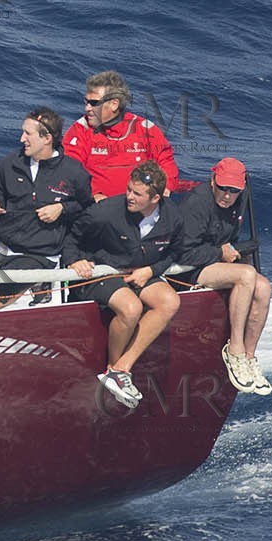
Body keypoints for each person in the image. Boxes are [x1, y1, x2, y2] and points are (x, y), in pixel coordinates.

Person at [61, 161, 184, 408]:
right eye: (129, 189)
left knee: (170, 302)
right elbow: (71, 236)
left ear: (155, 198)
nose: (129, 196)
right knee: (131, 308)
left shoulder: (173, 217)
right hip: (100, 272)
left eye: (137, 194)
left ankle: (121, 368)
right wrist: (74, 261)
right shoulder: (104, 212)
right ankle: (114, 373)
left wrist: (151, 270)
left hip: (139, 272)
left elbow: (176, 253)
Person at [0, 107, 93, 309]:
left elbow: (86, 208)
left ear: (46, 138)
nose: (22, 139)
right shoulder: (9, 163)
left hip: (39, 255)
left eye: (27, 133)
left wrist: (62, 209)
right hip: (2, 249)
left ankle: (39, 281)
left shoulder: (74, 172)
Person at [173, 157, 272, 395]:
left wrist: (229, 252)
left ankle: (248, 357)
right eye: (222, 188)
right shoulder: (196, 203)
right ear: (212, 181)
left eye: (234, 190)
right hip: (190, 267)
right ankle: (234, 350)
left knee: (264, 287)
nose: (227, 195)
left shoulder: (240, 199)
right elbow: (183, 253)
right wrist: (219, 252)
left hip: (217, 261)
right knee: (246, 276)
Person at [62, 70, 182, 201]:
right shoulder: (79, 130)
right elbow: (71, 171)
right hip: (96, 208)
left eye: (94, 103)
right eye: (86, 102)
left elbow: (166, 161)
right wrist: (93, 195)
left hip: (140, 207)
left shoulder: (145, 130)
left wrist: (167, 187)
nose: (87, 108)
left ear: (114, 104)